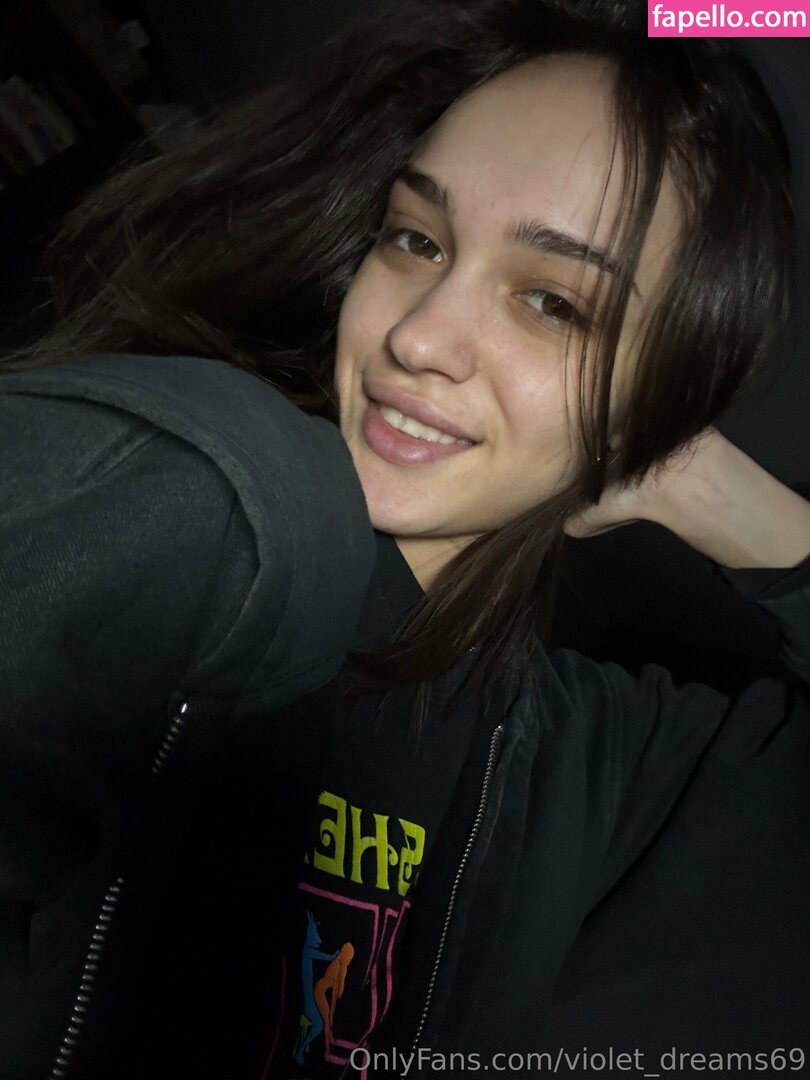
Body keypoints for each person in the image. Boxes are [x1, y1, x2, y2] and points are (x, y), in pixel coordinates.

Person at [0, 0, 808, 1077]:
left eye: (555, 304)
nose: (419, 334)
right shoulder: (214, 507)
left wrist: (732, 500)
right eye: (416, 239)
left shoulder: (574, 767)